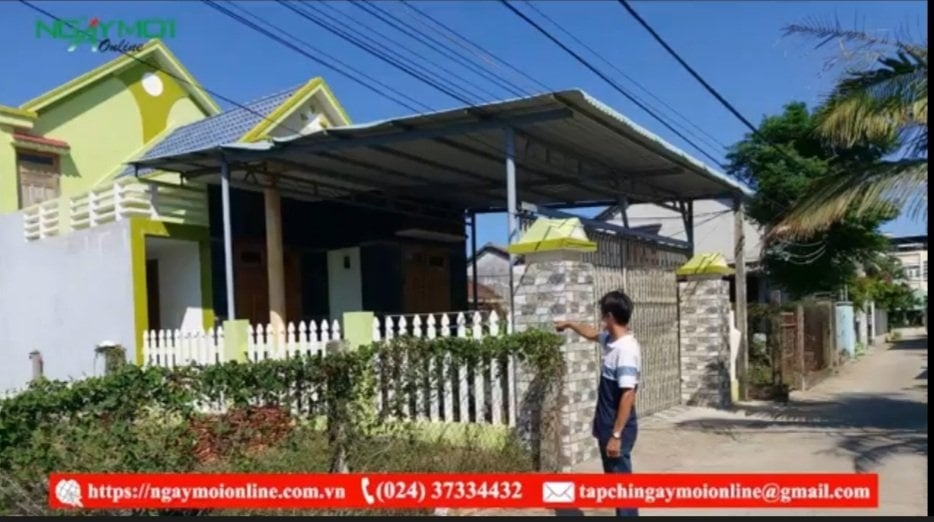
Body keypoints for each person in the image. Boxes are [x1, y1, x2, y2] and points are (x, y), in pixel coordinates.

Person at [555, 290, 640, 517]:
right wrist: (571, 324)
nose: (601, 319)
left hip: (616, 429)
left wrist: (616, 435)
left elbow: (628, 394)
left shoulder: (626, 350)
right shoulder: (612, 341)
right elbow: (592, 334)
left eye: (603, 314)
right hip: (607, 426)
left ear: (610, 316)